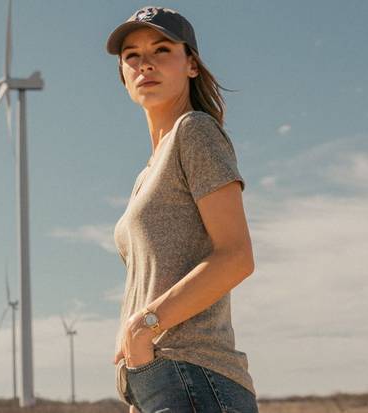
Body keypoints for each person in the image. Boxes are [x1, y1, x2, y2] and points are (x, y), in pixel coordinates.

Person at [106, 6, 260, 413]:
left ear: (191, 64)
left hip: (195, 374)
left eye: (162, 50)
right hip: (158, 380)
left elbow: (236, 256)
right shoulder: (145, 175)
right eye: (132, 56)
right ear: (122, 74)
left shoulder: (195, 132)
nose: (146, 64)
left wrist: (145, 327)